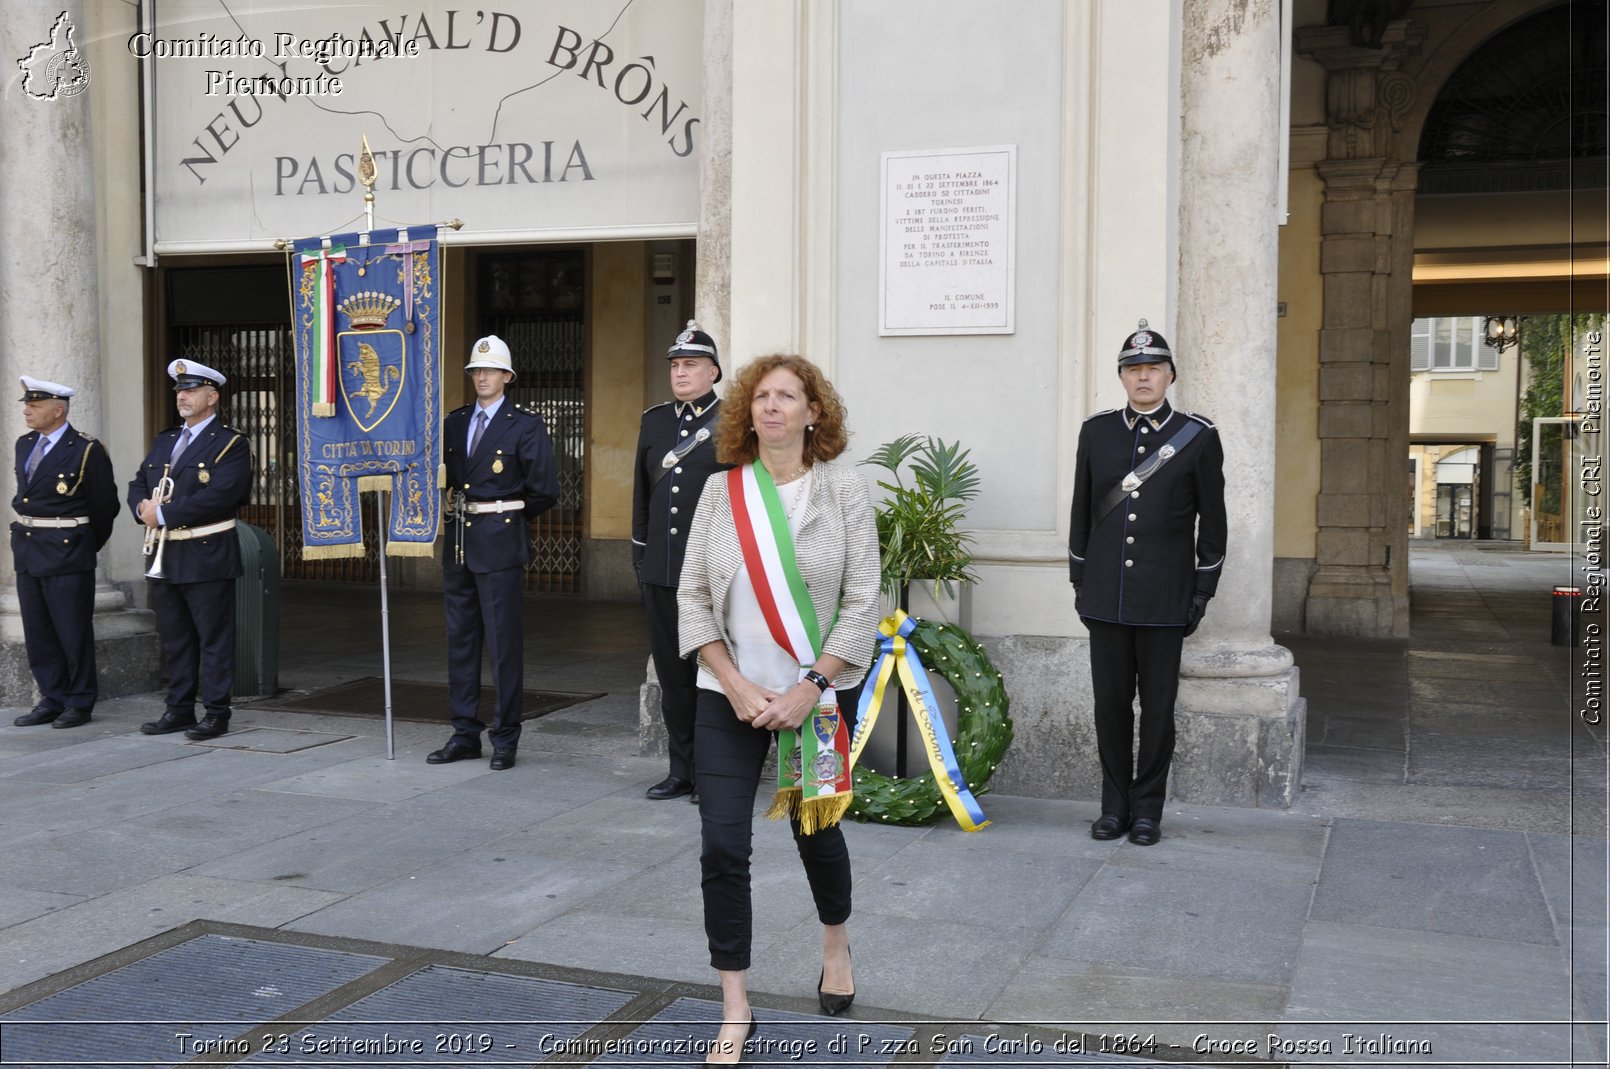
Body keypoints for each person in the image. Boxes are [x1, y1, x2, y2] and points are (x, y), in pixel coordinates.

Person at [678, 354, 881, 1060]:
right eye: (761, 396)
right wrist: (735, 682)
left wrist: (810, 688)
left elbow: (863, 602)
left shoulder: (844, 492)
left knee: (815, 831)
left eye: (786, 396)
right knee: (722, 844)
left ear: (812, 411)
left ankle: (835, 943)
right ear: (748, 412)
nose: (771, 406)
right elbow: (692, 599)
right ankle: (735, 1003)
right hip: (727, 697)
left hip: (815, 704)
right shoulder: (719, 492)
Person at [1067, 319, 1226, 846]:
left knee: (1157, 711)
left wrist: (1201, 590)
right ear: (1121, 377)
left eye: (1153, 369)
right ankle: (1114, 807)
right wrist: (1080, 579)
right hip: (1106, 598)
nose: (1143, 377)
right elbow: (1082, 512)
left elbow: (1214, 520)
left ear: (1170, 376)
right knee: (1109, 708)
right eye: (1134, 369)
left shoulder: (1198, 438)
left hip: (1164, 598)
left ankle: (1147, 812)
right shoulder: (1097, 432)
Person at [428, 335, 559, 772]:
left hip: (500, 540)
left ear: (507, 377)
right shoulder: (454, 421)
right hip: (460, 540)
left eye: (489, 371)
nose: (481, 377)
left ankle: (505, 736)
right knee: (461, 642)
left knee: (503, 645)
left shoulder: (524, 425)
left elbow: (543, 490)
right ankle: (464, 732)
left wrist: (506, 518)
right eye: (475, 371)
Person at [632, 320, 731, 804]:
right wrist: (640, 557)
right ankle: (682, 770)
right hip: (662, 571)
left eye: (691, 364)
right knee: (673, 677)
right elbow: (640, 497)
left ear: (713, 371)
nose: (680, 373)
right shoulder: (654, 421)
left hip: (713, 576)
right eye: (675, 365)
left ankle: (716, 772)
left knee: (713, 676)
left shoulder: (732, 422)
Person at [129, 360, 253, 741]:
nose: (182, 396)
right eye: (180, 390)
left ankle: (216, 712)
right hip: (165, 553)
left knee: (213, 639)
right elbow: (139, 481)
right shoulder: (165, 439)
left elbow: (221, 496)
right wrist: (141, 508)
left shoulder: (231, 443)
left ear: (212, 397)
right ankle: (179, 708)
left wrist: (162, 512)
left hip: (207, 552)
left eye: (191, 390)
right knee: (176, 637)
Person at [9, 377, 118, 730]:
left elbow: (105, 507)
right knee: (38, 630)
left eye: (35, 406)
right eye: (28, 404)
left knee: (72, 631)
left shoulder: (85, 449)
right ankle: (51, 697)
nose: (27, 411)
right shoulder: (25, 444)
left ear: (58, 410)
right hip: (28, 548)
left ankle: (79, 701)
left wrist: (86, 544)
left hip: (67, 551)